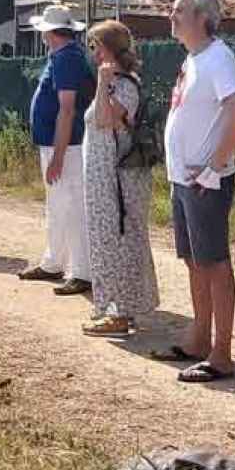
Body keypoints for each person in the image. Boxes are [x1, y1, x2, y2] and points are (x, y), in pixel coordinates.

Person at [156, 0, 235, 384]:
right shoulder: (194, 59)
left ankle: (222, 353)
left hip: (204, 182)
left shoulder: (218, 59)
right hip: (184, 179)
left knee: (214, 263)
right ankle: (199, 338)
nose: (172, 17)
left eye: (179, 11)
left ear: (203, 19)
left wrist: (215, 166)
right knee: (194, 260)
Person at [80, 20, 160, 338]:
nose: (93, 53)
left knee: (117, 241)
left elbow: (104, 120)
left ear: (108, 48)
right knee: (107, 240)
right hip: (103, 178)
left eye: (95, 46)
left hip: (116, 181)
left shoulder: (124, 84)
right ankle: (116, 306)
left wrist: (102, 84)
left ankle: (120, 312)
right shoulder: (115, 81)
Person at [17, 4, 94, 296]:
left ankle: (82, 271)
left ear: (51, 32)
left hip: (67, 146)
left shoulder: (66, 60)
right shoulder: (64, 57)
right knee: (58, 205)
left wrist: (59, 155)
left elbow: (67, 109)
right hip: (59, 144)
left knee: (71, 206)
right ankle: (54, 262)